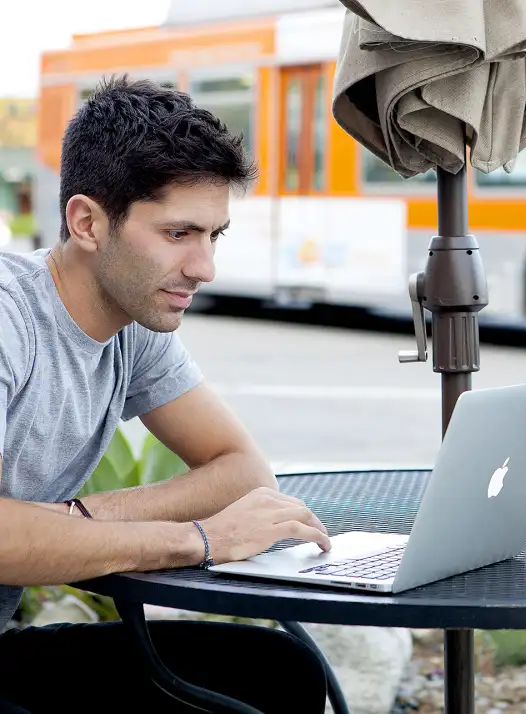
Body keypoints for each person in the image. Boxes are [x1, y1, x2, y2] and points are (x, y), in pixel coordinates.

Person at [0, 76, 333, 713]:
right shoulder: (10, 320)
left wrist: (78, 523)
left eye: (215, 236)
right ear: (88, 221)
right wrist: (198, 539)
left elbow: (241, 471)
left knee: (278, 672)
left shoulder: (132, 320)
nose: (205, 268)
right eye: (179, 234)